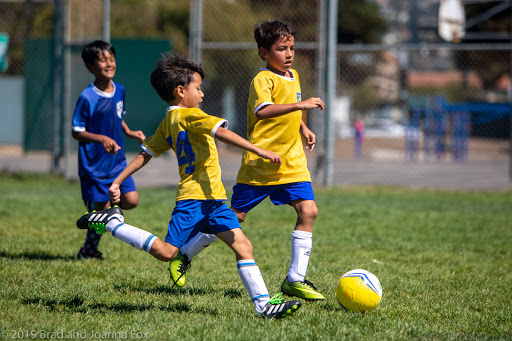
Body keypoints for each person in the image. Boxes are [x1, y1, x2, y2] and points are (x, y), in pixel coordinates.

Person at [76, 52, 301, 319]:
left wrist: (118, 180)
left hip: (214, 200)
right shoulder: (192, 115)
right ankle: (113, 223)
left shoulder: (169, 120)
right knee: (166, 252)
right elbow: (223, 132)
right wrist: (259, 150)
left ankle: (263, 306)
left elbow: (144, 153)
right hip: (194, 200)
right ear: (181, 91)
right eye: (198, 88)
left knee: (243, 245)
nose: (202, 94)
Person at [171, 19, 326, 301]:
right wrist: (301, 106)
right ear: (264, 52)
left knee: (309, 211)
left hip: (292, 162)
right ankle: (184, 254)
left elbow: (295, 106)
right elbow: (264, 110)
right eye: (281, 49)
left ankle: (295, 279)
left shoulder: (294, 76)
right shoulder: (262, 79)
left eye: (291, 47)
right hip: (261, 164)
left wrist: (304, 126)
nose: (289, 54)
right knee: (233, 218)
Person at [72, 40, 146, 260]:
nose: (109, 63)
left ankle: (103, 209)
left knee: (131, 200)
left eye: (111, 59)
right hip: (94, 165)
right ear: (90, 66)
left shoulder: (119, 90)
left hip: (117, 162)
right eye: (103, 60)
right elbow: (76, 131)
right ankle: (88, 250)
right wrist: (101, 138)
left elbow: (117, 117)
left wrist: (130, 132)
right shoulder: (87, 97)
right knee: (103, 212)